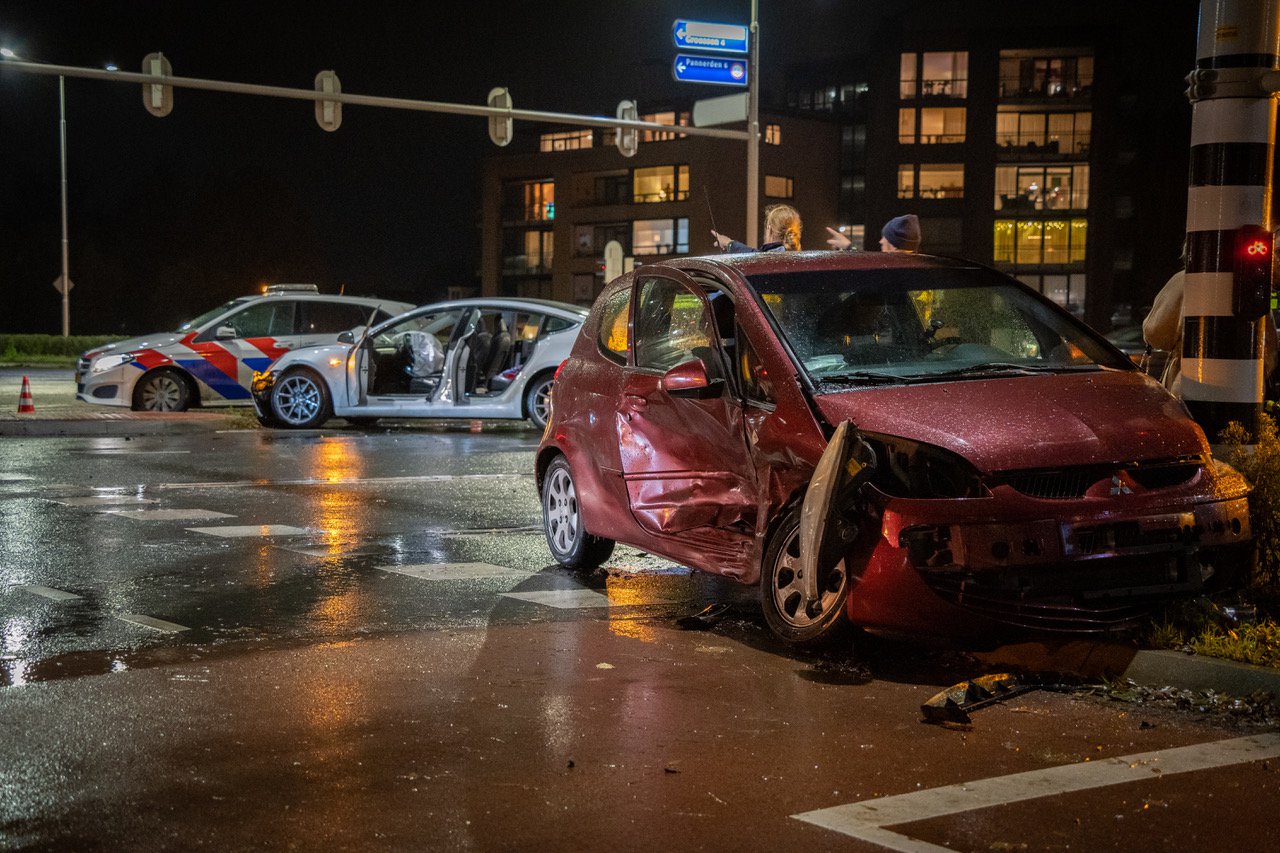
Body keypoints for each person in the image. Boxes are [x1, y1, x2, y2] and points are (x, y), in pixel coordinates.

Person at [1144, 265, 1277, 396]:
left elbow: (1156, 333)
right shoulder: (1253, 283)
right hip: (1247, 387)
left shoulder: (1184, 279)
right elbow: (1270, 348)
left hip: (1190, 381)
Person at [712, 203, 802, 253]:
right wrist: (729, 244)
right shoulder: (804, 264)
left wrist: (729, 243)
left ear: (769, 230)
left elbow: (751, 255)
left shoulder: (764, 264)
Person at [825, 214, 921, 253]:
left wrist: (849, 246)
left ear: (894, 244)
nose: (881, 241)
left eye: (885, 237)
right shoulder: (919, 269)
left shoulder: (890, 271)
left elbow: (866, 265)